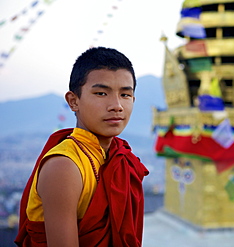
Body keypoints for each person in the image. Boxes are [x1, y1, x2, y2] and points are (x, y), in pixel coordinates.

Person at [15, 47, 149, 247]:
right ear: (73, 101)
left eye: (125, 95)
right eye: (101, 93)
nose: (117, 105)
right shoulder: (64, 166)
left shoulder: (120, 157)